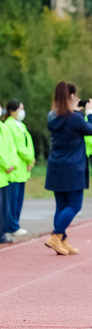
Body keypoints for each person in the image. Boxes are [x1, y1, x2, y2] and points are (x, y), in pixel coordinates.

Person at [44, 82, 92, 255]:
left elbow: (66, 120)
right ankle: (56, 235)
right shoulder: (75, 118)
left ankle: (62, 240)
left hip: (55, 166)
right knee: (74, 205)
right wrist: (89, 113)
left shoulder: (52, 116)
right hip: (73, 167)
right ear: (72, 97)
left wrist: (74, 111)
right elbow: (90, 130)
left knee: (61, 205)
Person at [4, 101, 35, 237]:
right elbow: (18, 147)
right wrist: (29, 157)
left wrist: (31, 160)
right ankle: (12, 226)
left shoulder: (21, 125)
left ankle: (15, 224)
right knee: (12, 200)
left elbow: (29, 143)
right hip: (15, 167)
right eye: (20, 108)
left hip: (23, 168)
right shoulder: (9, 125)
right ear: (12, 111)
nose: (22, 111)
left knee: (19, 199)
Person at [0, 99, 15, 244]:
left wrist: (10, 164)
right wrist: (6, 164)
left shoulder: (2, 126)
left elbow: (9, 148)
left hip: (4, 174)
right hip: (2, 169)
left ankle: (2, 233)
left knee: (3, 206)